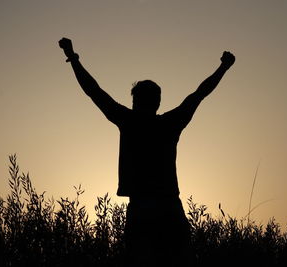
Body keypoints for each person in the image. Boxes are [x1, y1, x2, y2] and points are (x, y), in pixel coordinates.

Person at [59, 37, 235, 267]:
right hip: (169, 206)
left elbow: (94, 91)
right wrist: (223, 67)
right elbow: (199, 93)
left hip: (142, 208)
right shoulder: (170, 123)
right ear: (158, 102)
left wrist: (73, 57)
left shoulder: (128, 121)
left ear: (134, 101)